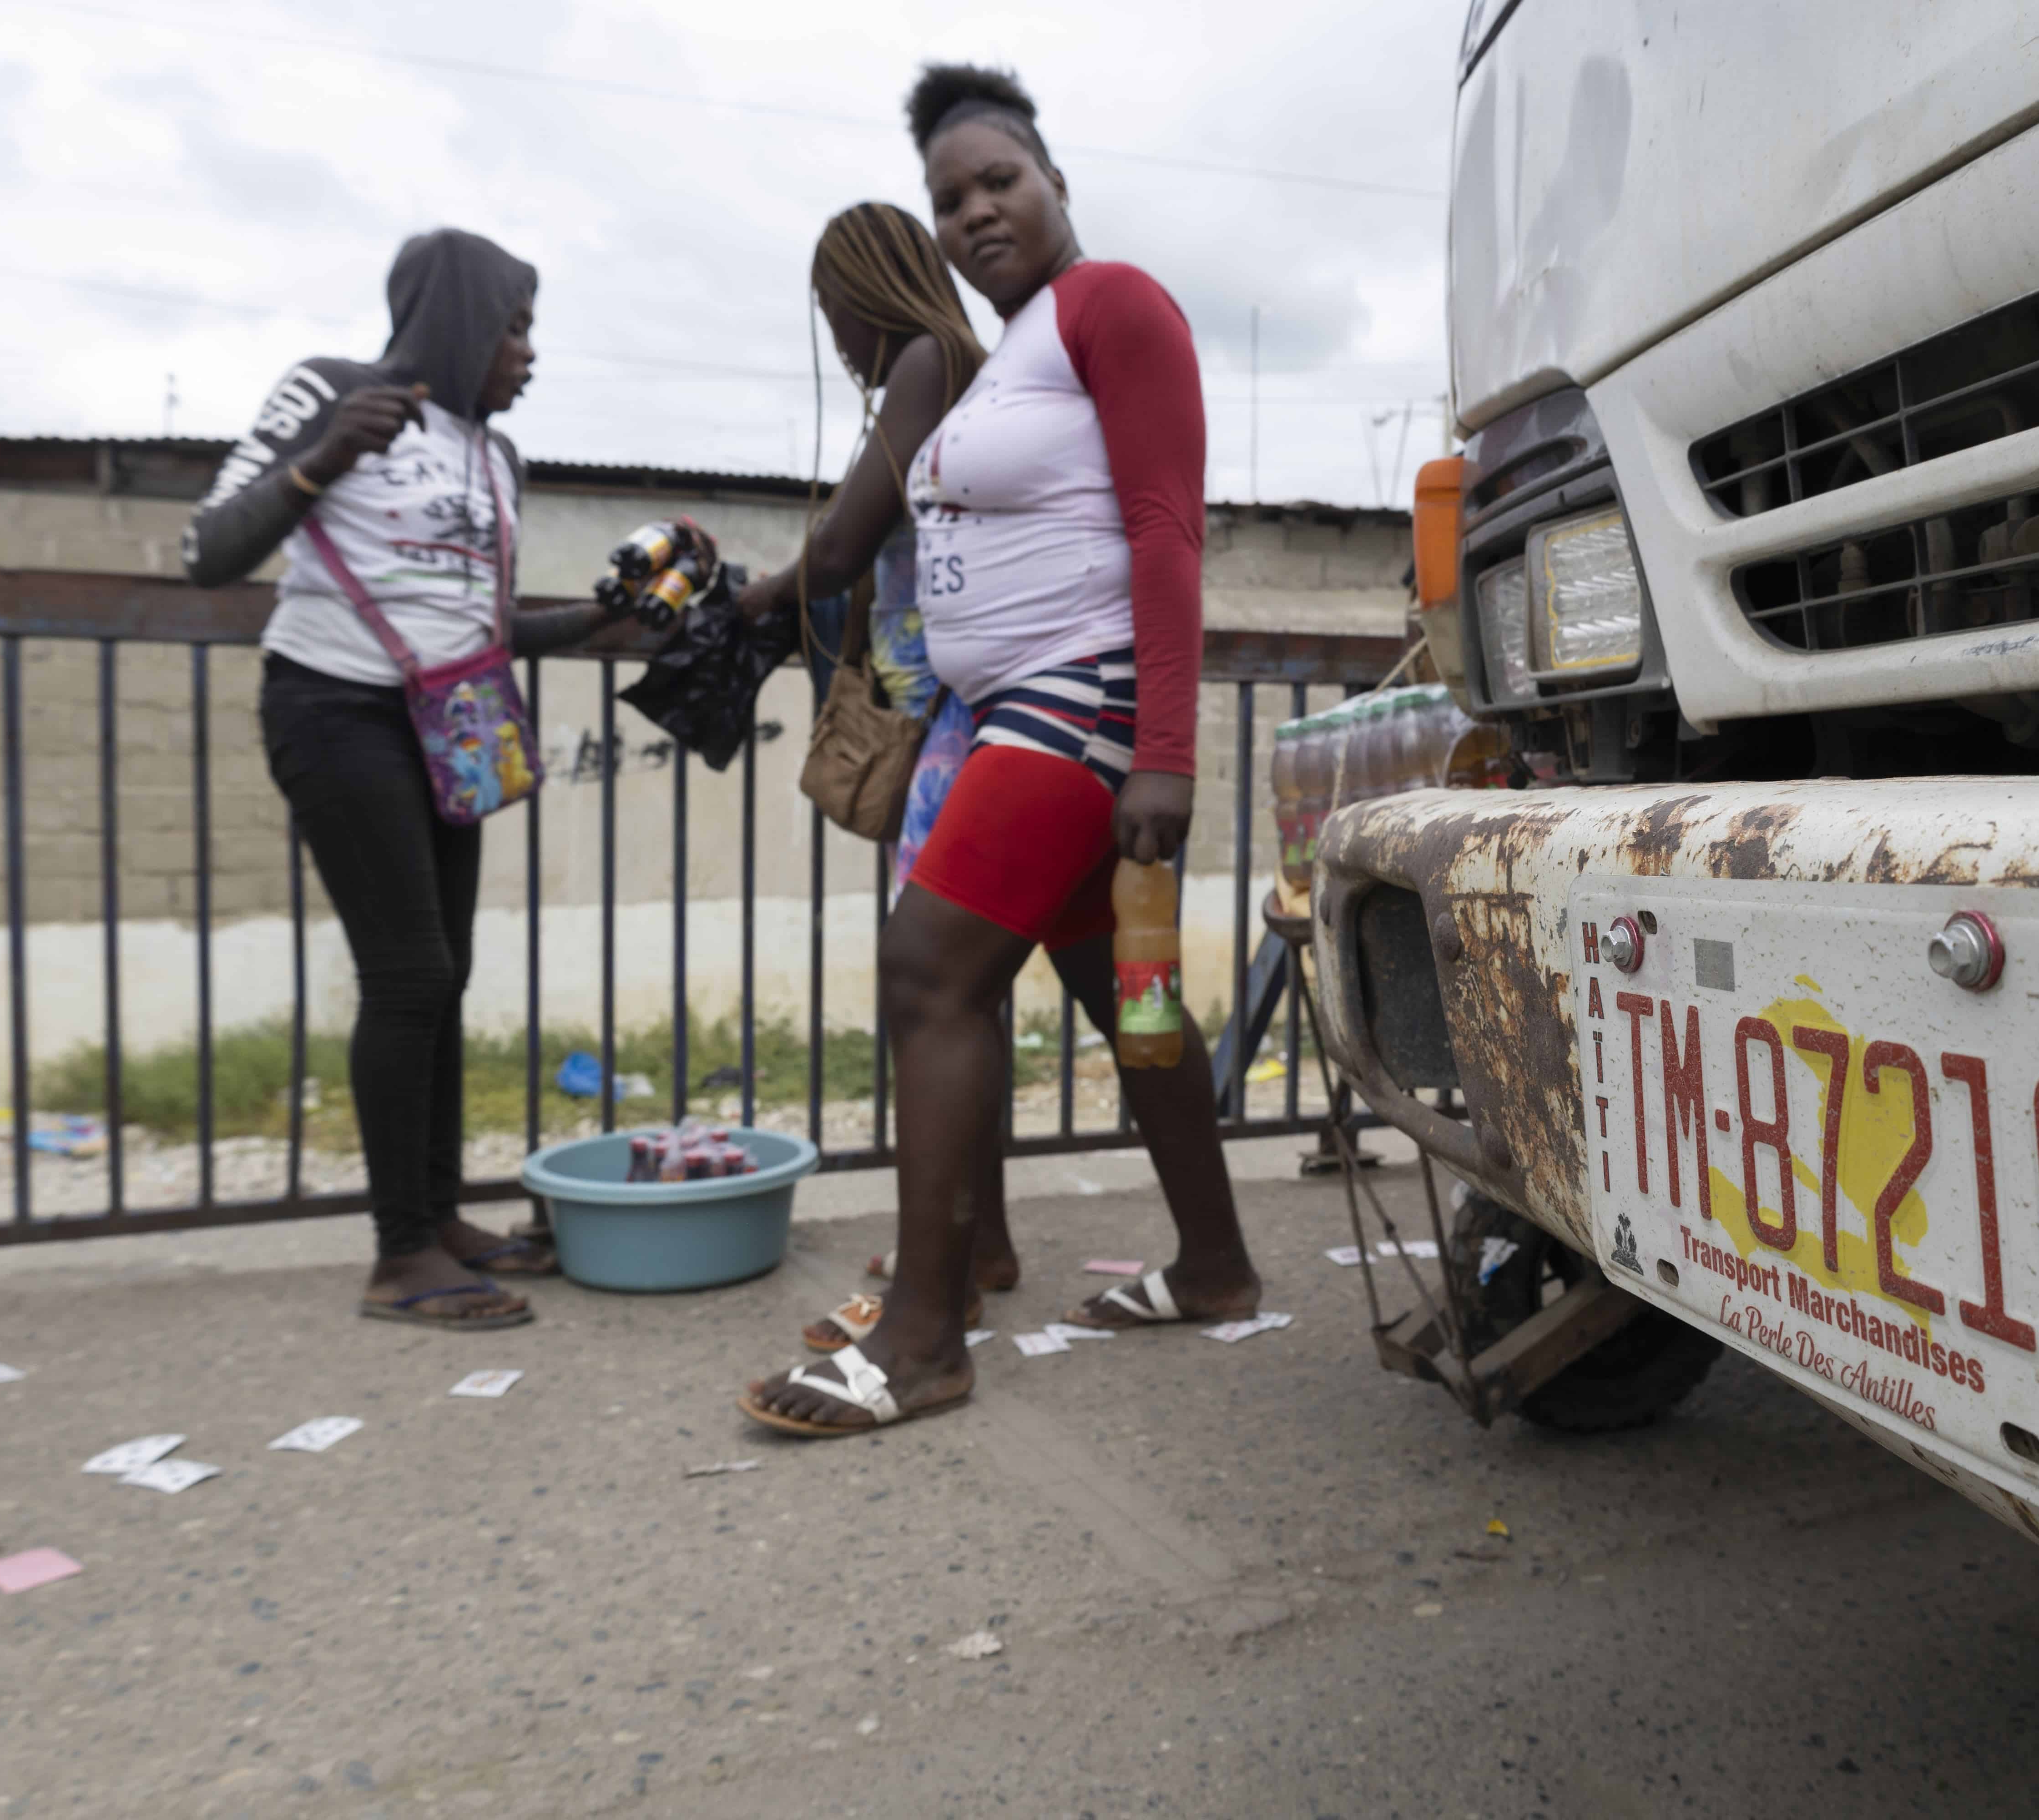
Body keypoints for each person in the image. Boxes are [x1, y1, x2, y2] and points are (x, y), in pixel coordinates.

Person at [742, 65, 1263, 1437]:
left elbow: (1165, 530)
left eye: (999, 182)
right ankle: (1214, 1265)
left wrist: (1167, 753)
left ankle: (923, 1342)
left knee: (928, 974)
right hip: (1018, 720)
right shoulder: (1013, 352)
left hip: (1074, 707)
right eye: (950, 199)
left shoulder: (1112, 304)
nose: (976, 213)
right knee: (1128, 1004)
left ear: (1053, 180)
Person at [184, 228, 632, 1329]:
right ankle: (397, 1256)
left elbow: (477, 620)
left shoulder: (497, 459)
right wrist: (326, 453)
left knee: (448, 971)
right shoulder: (333, 392)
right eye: (515, 327)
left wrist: (599, 617)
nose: (528, 353)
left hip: (456, 720)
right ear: (464, 321)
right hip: (336, 707)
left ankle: (437, 1219)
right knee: (409, 974)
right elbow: (209, 551)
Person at [725, 203, 1015, 1353]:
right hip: (960, 712)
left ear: (864, 288)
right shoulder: (951, 366)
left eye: (832, 310)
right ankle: (977, 1242)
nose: (835, 340)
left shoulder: (926, 361)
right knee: (970, 991)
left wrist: (744, 599)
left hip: (956, 718)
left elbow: (844, 544)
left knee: (932, 984)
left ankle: (952, 1273)